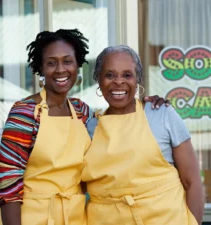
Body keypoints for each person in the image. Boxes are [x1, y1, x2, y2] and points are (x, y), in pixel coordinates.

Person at [0, 30, 169, 225]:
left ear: (77, 65)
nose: (61, 69)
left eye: (67, 61)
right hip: (30, 218)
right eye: (51, 63)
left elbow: (117, 125)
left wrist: (148, 103)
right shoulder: (25, 113)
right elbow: (8, 184)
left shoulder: (82, 112)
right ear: (41, 68)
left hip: (75, 218)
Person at [82, 45, 204, 225]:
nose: (118, 82)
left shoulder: (162, 114)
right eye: (110, 75)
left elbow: (192, 181)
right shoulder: (89, 128)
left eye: (127, 75)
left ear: (138, 79)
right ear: (98, 80)